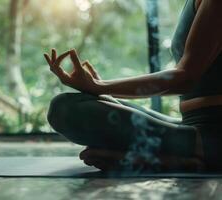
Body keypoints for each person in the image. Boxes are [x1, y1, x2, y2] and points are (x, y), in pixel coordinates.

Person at [44, 0, 222, 172]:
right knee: (83, 104)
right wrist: (101, 92)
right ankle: (168, 156)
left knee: (64, 109)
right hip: (192, 129)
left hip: (211, 139)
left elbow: (185, 78)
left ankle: (172, 160)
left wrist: (100, 86)